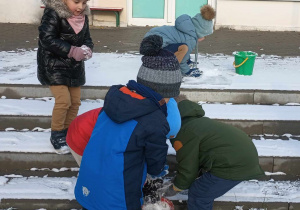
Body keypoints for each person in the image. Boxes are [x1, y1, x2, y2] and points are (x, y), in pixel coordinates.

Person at [74, 35, 182, 209]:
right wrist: (158, 174)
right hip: (119, 189)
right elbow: (156, 160)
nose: (169, 102)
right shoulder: (154, 120)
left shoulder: (116, 98)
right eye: (170, 96)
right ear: (162, 93)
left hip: (91, 177)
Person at [161, 96, 265, 210]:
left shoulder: (184, 131)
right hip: (241, 158)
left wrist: (175, 187)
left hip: (233, 165)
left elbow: (188, 165)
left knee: (199, 194)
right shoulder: (197, 122)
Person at [37, 0, 93, 154]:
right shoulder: (53, 13)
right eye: (76, 2)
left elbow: (87, 37)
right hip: (53, 65)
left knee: (75, 102)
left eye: (84, 2)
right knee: (63, 101)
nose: (80, 7)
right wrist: (71, 50)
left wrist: (87, 48)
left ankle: (68, 131)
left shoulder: (83, 17)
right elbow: (46, 38)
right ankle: (56, 134)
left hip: (74, 67)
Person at [144, 5, 216, 78]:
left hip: (148, 41)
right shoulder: (190, 39)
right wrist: (187, 71)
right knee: (184, 48)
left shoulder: (187, 28)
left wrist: (187, 59)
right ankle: (167, 69)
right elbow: (181, 61)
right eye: (205, 36)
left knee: (181, 47)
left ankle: (162, 62)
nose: (204, 38)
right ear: (200, 32)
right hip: (153, 48)